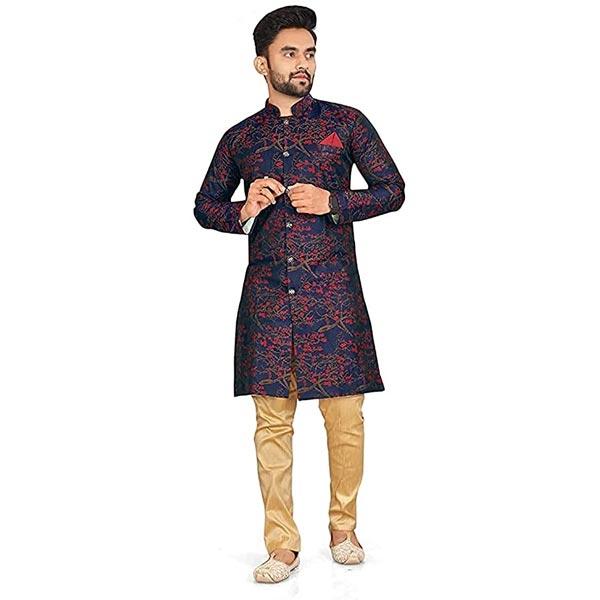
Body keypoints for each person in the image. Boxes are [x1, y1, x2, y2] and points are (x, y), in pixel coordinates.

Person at [193, 5, 406, 583]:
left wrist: (335, 201)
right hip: (268, 300)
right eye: (290, 53)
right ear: (261, 64)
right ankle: (282, 544)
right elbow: (204, 206)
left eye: (309, 53)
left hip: (333, 298)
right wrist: (244, 208)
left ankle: (344, 529)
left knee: (346, 418)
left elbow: (392, 189)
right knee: (271, 424)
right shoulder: (241, 137)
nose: (303, 63)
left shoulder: (347, 122)